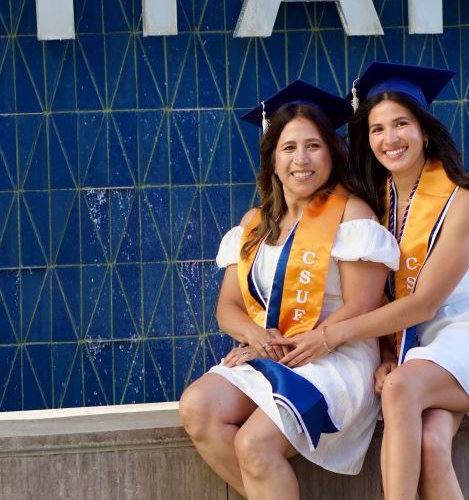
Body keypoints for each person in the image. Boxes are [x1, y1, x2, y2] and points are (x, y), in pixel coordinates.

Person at [273, 62, 469, 500]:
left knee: (402, 386)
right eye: (377, 129)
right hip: (417, 348)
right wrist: (388, 353)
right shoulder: (377, 204)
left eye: (401, 124)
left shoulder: (460, 204)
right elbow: (386, 297)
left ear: (424, 130)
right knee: (429, 444)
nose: (389, 139)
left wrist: (332, 336)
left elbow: (424, 303)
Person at [178, 80, 399, 500]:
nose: (302, 159)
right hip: (274, 350)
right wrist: (256, 336)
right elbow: (228, 308)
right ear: (273, 160)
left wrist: (309, 341)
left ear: (332, 155)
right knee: (198, 407)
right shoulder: (254, 224)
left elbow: (364, 303)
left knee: (255, 444)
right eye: (289, 148)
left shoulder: (350, 213)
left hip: (336, 352)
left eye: (314, 146)